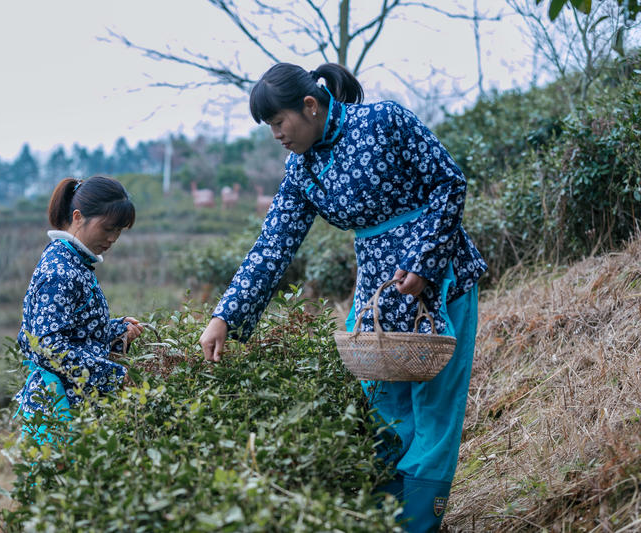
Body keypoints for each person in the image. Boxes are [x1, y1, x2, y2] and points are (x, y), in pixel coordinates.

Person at [198, 63, 487, 533]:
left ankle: (417, 525)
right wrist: (225, 315)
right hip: (376, 297)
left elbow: (449, 183)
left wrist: (424, 260)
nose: (275, 135)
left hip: (437, 283)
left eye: (278, 123)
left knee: (434, 414)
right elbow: (273, 246)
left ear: (310, 106)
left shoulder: (385, 121)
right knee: (383, 417)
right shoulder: (303, 169)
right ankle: (383, 521)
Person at [14, 175, 143, 443]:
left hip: (76, 406)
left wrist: (116, 329)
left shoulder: (74, 262)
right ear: (78, 217)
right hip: (60, 409)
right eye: (108, 228)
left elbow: (74, 332)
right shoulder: (60, 270)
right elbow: (48, 346)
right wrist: (113, 376)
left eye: (118, 231)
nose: (113, 238)